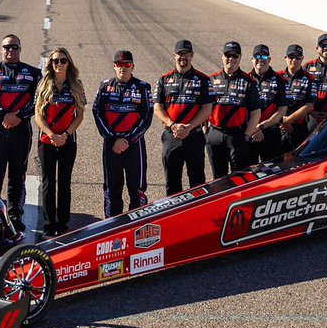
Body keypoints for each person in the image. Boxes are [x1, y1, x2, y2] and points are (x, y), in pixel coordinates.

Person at [0, 34, 41, 232]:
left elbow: (39, 100)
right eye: (6, 47)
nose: (10, 51)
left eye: (14, 47)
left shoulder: (34, 73)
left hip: (21, 129)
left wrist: (19, 116)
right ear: (1, 49)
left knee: (17, 176)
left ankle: (15, 214)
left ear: (20, 49)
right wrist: (4, 115)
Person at [33, 47, 87, 235]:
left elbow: (79, 115)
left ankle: (63, 223)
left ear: (68, 63)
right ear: (50, 64)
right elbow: (38, 116)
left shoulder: (76, 85)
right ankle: (49, 223)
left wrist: (65, 135)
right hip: (46, 141)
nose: (59, 64)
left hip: (67, 142)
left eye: (63, 60)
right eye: (55, 61)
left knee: (65, 182)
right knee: (49, 183)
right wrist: (51, 135)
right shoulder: (43, 84)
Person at [92, 50, 152, 218]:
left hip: (134, 145)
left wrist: (128, 140)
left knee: (137, 188)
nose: (123, 68)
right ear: (114, 66)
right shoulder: (105, 87)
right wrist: (112, 139)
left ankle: (136, 226)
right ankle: (111, 226)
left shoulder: (143, 87)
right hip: (111, 145)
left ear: (132, 66)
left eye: (127, 65)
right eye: (119, 65)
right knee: (112, 188)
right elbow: (97, 112)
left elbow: (146, 117)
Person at [154, 39, 214, 195]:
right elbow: (157, 107)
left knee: (197, 182)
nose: (183, 57)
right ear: (174, 55)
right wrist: (173, 124)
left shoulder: (203, 80)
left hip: (194, 136)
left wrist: (189, 127)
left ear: (192, 55)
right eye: (180, 54)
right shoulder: (164, 79)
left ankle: (198, 216)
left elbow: (207, 109)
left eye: (187, 54)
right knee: (172, 182)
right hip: (171, 136)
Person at [206, 41, 261, 177]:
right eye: (228, 55)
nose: (231, 59)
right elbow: (204, 107)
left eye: (235, 56)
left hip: (237, 136)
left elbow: (255, 112)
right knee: (218, 178)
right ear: (222, 56)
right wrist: (205, 129)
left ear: (240, 57)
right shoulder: (211, 80)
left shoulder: (249, 82)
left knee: (239, 178)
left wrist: (247, 136)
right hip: (215, 134)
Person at [246, 44, 287, 165]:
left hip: (270, 133)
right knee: (248, 173)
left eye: (264, 57)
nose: (260, 60)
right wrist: (254, 128)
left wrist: (262, 126)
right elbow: (242, 108)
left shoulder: (280, 80)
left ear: (269, 60)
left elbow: (282, 110)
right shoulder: (245, 79)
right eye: (257, 56)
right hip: (249, 132)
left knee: (273, 173)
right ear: (252, 59)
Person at [279, 44, 316, 151]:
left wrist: (289, 120)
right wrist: (282, 121)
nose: (294, 60)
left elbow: (309, 105)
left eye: (298, 57)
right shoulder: (277, 77)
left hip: (299, 128)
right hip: (278, 126)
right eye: (291, 57)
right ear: (285, 58)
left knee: (298, 163)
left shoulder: (309, 78)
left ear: (302, 58)